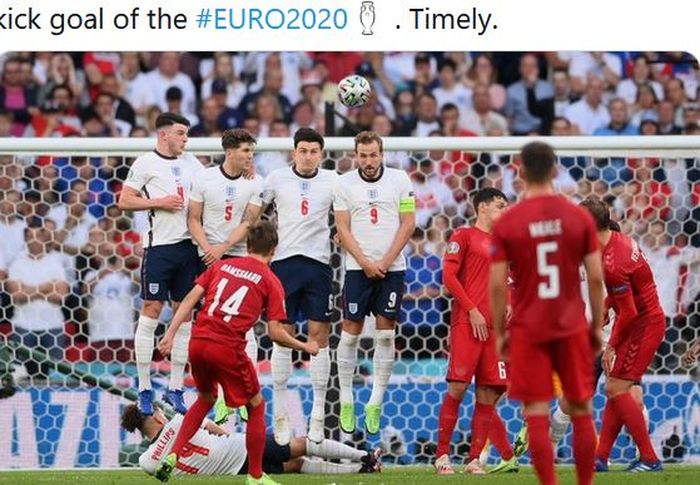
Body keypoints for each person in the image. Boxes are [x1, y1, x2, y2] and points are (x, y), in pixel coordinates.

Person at [154, 221, 319, 485]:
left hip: (198, 341)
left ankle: (173, 456)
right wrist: (305, 346)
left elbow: (189, 298)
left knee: (205, 398)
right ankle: (255, 476)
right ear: (274, 250)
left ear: (248, 245)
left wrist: (171, 334)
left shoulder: (220, 266)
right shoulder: (270, 280)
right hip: (227, 346)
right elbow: (276, 333)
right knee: (256, 405)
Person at [490, 141, 605, 485]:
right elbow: (596, 278)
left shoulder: (509, 222)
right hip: (570, 325)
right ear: (555, 171)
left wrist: (500, 332)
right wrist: (596, 326)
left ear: (520, 172)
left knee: (537, 413)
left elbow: (496, 285)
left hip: (529, 329)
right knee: (581, 410)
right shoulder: (578, 217)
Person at [246, 128, 339, 445]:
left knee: (319, 339)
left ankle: (317, 418)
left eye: (314, 151)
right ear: (294, 152)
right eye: (303, 150)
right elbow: (254, 213)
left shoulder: (333, 181)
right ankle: (280, 415)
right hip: (284, 265)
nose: (308, 155)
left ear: (321, 154)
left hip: (319, 266)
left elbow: (345, 216)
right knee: (282, 337)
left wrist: (342, 232)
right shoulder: (275, 179)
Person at [117, 112, 204, 415]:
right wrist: (159, 202)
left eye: (186, 133)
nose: (185, 139)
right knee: (152, 310)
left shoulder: (193, 164)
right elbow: (124, 201)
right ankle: (143, 388)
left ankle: (176, 388)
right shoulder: (145, 163)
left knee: (185, 315)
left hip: (188, 248)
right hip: (159, 249)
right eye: (180, 133)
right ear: (163, 135)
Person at [334, 131, 416, 435]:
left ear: (381, 154)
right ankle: (346, 397)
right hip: (357, 268)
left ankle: (375, 401)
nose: (368, 161)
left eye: (373, 155)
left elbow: (409, 223)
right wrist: (366, 262)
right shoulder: (344, 183)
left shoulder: (400, 179)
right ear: (356, 155)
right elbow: (342, 227)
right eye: (363, 155)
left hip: (392, 268)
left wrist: (385, 261)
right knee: (350, 335)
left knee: (384, 336)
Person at [434, 188, 516, 475]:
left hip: (496, 329)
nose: (505, 210)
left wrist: (510, 304)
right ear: (482, 207)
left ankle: (473, 460)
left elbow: (510, 280)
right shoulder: (464, 236)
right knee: (458, 386)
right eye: (500, 205)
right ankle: (442, 456)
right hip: (469, 324)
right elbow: (448, 276)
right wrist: (471, 310)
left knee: (488, 392)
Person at [580, 198, 665, 473]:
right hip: (643, 320)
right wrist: (607, 306)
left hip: (642, 325)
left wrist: (611, 347)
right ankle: (600, 458)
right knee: (616, 388)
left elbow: (628, 313)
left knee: (615, 388)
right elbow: (629, 296)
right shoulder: (617, 239)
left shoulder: (612, 262)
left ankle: (650, 458)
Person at [187, 127, 263, 423]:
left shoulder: (256, 183)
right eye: (245, 151)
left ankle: (243, 397)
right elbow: (193, 218)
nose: (250, 157)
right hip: (208, 257)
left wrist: (223, 248)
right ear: (229, 151)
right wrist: (209, 248)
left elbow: (248, 222)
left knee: (244, 327)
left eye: (252, 152)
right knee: (211, 328)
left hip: (239, 256)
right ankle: (218, 397)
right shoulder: (204, 178)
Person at [122, 403, 381, 478]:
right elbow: (218, 430)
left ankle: (361, 470)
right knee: (299, 444)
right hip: (240, 447)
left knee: (296, 466)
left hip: (233, 472)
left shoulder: (146, 461)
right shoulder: (180, 421)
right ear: (155, 416)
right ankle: (365, 457)